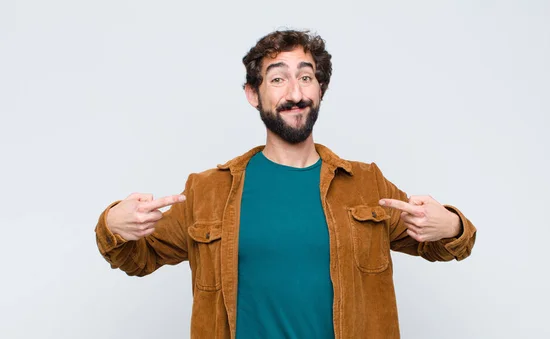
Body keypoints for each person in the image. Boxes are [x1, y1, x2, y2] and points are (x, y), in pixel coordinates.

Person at [95, 29, 477, 339]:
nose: (295, 93)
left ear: (320, 89)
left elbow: (443, 244)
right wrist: (113, 223)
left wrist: (452, 226)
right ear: (252, 94)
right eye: (278, 79)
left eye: (306, 77)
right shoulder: (207, 191)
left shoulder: (365, 184)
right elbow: (137, 257)